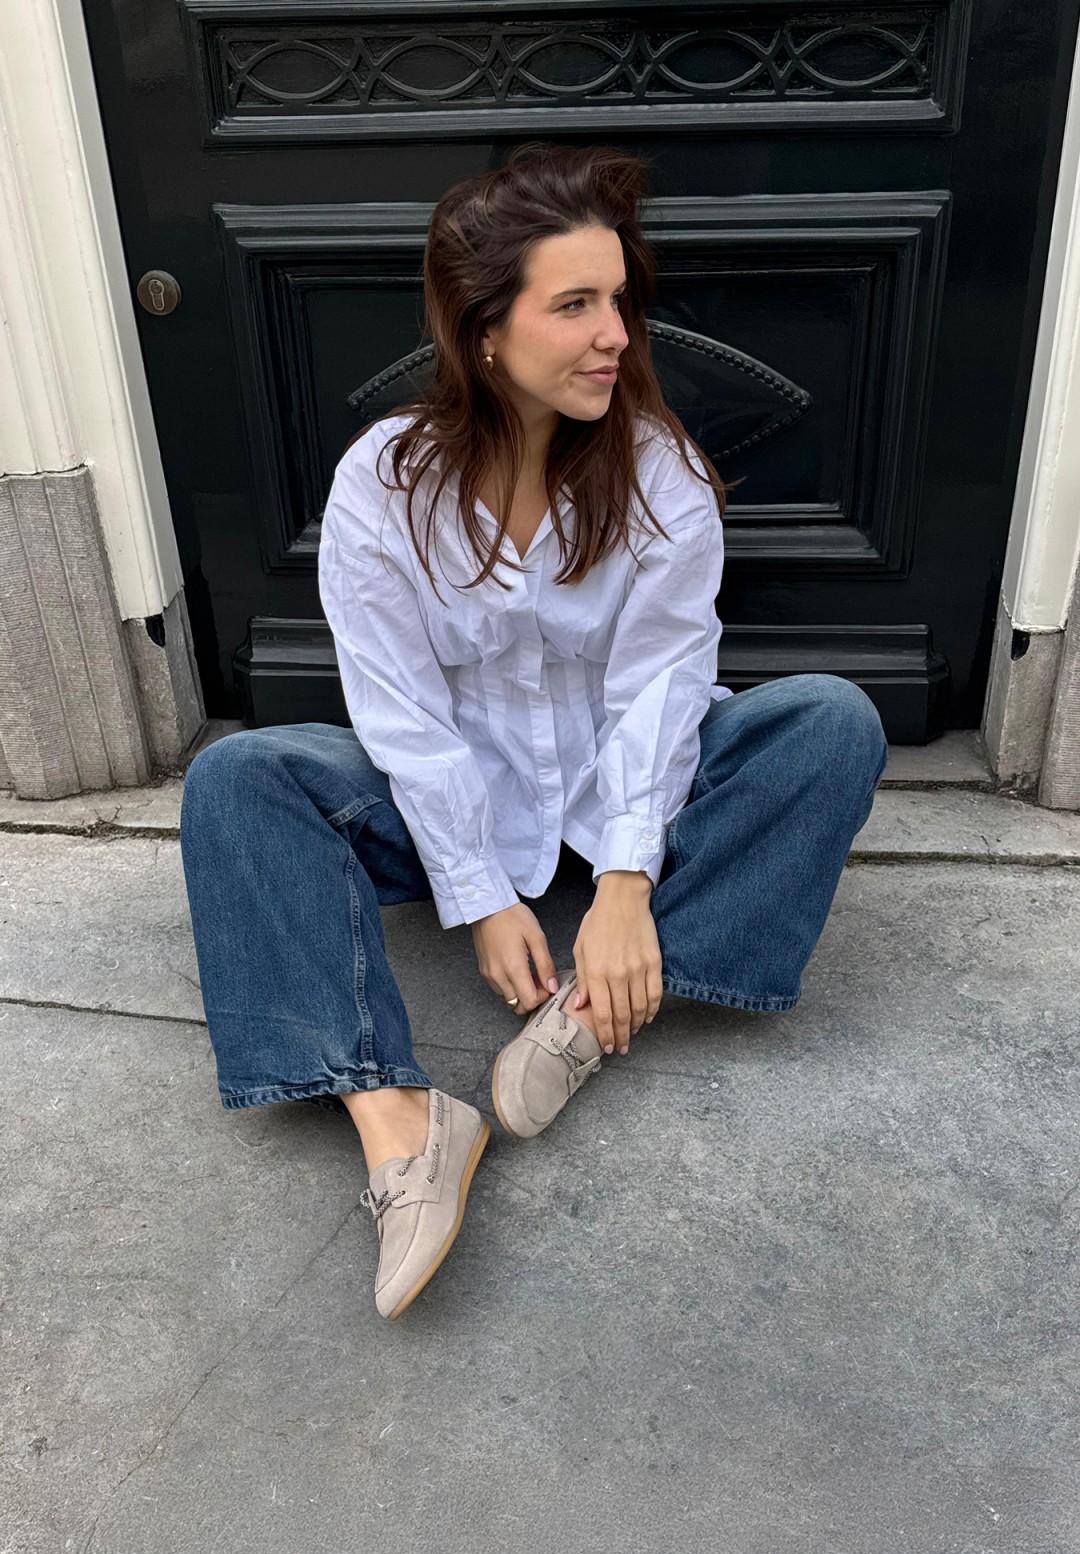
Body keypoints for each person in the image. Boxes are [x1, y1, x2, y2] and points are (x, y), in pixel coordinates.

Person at [179, 142, 888, 1322]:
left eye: (620, 299)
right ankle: (400, 1117)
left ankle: (590, 1016)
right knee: (237, 780)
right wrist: (481, 895)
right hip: (456, 801)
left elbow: (662, 687)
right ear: (484, 330)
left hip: (629, 796)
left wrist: (623, 885)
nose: (617, 332)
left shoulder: (660, 471)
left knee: (832, 721)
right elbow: (399, 710)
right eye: (576, 305)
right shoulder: (383, 486)